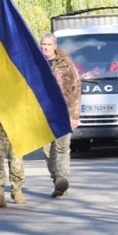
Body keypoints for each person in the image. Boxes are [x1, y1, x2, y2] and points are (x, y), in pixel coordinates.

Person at [40, 32, 81, 198]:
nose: (46, 48)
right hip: (43, 113)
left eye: (49, 45)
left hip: (63, 112)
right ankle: (56, 179)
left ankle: (63, 178)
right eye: (43, 44)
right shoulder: (36, 62)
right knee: (48, 151)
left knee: (62, 147)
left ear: (55, 46)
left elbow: (76, 88)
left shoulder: (66, 63)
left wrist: (75, 116)